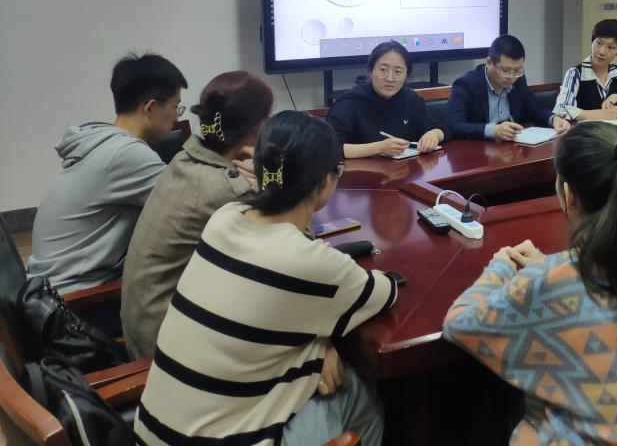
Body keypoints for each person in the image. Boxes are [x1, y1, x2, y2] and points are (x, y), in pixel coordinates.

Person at [135, 111, 397, 446]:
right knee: (360, 390)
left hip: (152, 433)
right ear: (323, 183)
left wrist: (319, 343)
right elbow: (386, 289)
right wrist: (321, 342)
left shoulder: (224, 218)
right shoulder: (313, 263)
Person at [443, 122, 617, 446]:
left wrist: (501, 266)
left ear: (569, 194)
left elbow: (458, 324)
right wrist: (550, 264)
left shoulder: (547, 284)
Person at [121, 71, 273, 359]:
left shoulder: (184, 159)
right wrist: (276, 186)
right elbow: (291, 251)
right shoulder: (225, 190)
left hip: (144, 327)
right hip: (169, 349)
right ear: (256, 128)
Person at [27, 52, 188, 293]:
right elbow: (189, 205)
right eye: (176, 107)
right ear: (151, 107)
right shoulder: (126, 154)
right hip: (76, 300)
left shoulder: (99, 139)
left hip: (46, 290)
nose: (176, 116)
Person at [328, 41, 448, 157]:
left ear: (406, 75)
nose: (390, 78)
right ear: (370, 71)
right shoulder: (348, 104)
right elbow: (331, 149)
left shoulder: (410, 98)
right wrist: (379, 148)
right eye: (383, 70)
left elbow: (441, 128)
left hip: (405, 169)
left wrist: (434, 135)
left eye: (398, 71)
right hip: (361, 169)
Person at [446, 34, 570, 141]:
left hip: (513, 148)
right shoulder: (466, 84)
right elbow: (454, 125)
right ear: (489, 63)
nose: (512, 77)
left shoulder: (519, 80)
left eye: (517, 70)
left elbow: (535, 109)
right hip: (478, 151)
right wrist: (493, 130)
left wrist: (554, 119)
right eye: (505, 70)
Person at [552, 19, 617, 121]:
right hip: (586, 131)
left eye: (610, 47)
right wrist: (600, 114)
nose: (602, 52)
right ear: (592, 42)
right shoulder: (575, 73)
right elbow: (561, 109)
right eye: (599, 43)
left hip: (616, 130)